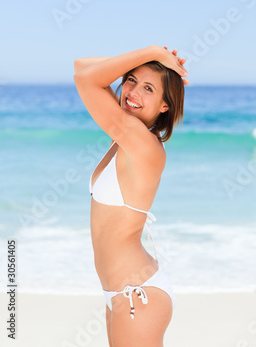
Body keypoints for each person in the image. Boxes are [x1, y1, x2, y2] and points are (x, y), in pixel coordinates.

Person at [73, 45, 188, 347]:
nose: (133, 91)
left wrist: (152, 50)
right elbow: (81, 65)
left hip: (138, 297)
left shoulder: (142, 143)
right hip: (119, 294)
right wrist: (160, 62)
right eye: (131, 80)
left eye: (148, 88)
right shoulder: (125, 134)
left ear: (165, 105)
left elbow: (86, 80)